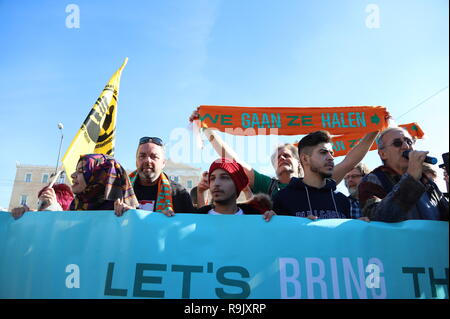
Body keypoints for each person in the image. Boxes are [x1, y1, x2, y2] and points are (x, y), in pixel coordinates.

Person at [189, 109, 380, 198]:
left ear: (301, 162)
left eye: (287, 155)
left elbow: (348, 162)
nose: (282, 158)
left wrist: (375, 128)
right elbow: (234, 161)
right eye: (277, 157)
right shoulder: (269, 186)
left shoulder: (321, 181)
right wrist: (208, 130)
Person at [358, 127, 449, 222]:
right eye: (397, 143)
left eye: (409, 142)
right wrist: (411, 179)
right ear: (383, 154)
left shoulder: (426, 181)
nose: (406, 146)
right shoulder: (372, 180)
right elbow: (377, 217)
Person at [273, 131, 355, 220]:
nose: (331, 158)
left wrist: (359, 225)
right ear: (305, 159)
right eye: (323, 152)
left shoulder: (342, 200)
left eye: (331, 153)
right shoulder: (283, 198)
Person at [116, 136, 194, 215]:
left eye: (154, 157)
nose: (148, 160)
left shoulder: (179, 194)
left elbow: (191, 224)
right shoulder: (119, 191)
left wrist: (168, 221)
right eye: (142, 156)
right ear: (136, 162)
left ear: (163, 163)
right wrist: (123, 215)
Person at [194, 158, 275, 221]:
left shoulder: (258, 218)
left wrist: (276, 222)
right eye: (212, 178)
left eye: (224, 177)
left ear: (237, 184)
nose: (216, 183)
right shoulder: (193, 219)